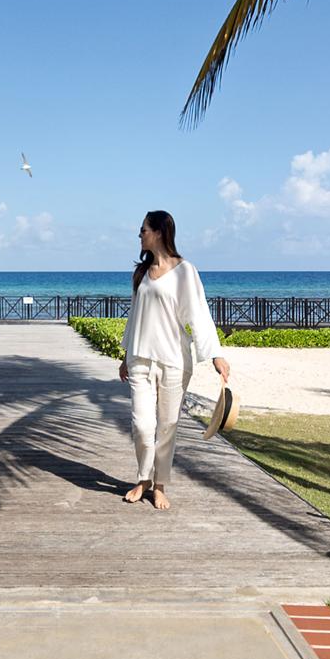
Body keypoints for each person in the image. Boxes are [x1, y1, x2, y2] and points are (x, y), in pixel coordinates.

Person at [118, 210, 231, 511]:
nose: (139, 234)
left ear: (158, 232)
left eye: (142, 229)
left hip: (174, 361)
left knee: (167, 425)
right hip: (140, 359)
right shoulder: (140, 274)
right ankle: (142, 478)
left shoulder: (185, 271)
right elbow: (134, 317)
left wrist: (215, 355)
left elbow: (198, 315)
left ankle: (159, 485)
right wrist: (124, 355)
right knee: (143, 424)